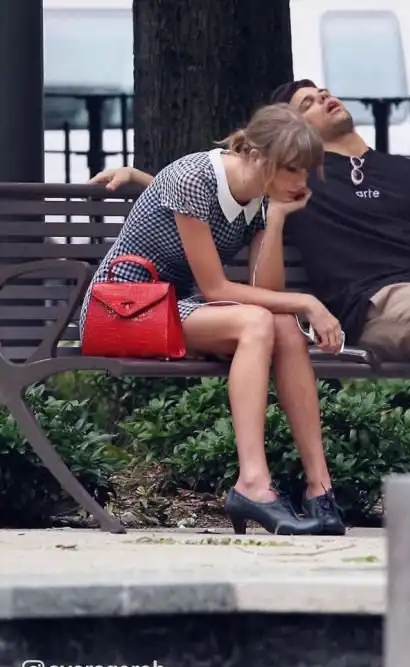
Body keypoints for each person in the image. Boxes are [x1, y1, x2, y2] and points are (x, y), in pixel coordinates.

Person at [90, 81, 410, 477]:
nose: (324, 98)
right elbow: (216, 184)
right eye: (306, 102)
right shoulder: (294, 178)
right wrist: (143, 179)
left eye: (324, 92)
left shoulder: (406, 172)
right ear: (290, 132)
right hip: (377, 300)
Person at [82, 103, 347, 536]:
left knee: (281, 324)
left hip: (176, 308)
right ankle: (253, 483)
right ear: (257, 155)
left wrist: (276, 218)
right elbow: (217, 290)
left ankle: (320, 488)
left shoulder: (261, 194)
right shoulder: (195, 178)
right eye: (292, 169)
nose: (301, 182)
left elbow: (266, 287)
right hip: (124, 307)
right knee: (257, 322)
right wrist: (309, 303)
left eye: (305, 171)